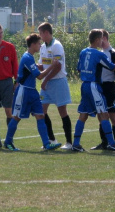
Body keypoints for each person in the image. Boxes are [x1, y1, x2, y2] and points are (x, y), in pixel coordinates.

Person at [71, 29, 115, 152]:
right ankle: (111, 143)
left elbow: (79, 69)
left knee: (83, 115)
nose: (102, 41)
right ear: (96, 40)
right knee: (104, 114)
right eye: (100, 39)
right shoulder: (99, 54)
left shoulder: (83, 52)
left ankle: (76, 143)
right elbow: (112, 67)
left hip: (84, 85)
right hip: (94, 86)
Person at [3, 33, 62, 151]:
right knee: (17, 117)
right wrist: (52, 66)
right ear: (33, 44)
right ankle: (8, 142)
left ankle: (46, 144)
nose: (40, 46)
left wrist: (41, 65)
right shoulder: (27, 58)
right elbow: (39, 77)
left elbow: (33, 68)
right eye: (39, 43)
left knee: (40, 115)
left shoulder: (30, 57)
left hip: (32, 92)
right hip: (24, 92)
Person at [37, 22, 73, 150]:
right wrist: (32, 67)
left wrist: (45, 80)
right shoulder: (42, 47)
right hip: (47, 82)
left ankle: (69, 142)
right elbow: (42, 65)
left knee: (62, 111)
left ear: (46, 32)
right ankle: (51, 139)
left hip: (57, 82)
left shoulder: (57, 46)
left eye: (41, 33)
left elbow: (58, 66)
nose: (40, 36)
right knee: (41, 110)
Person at [90, 29, 115, 150]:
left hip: (110, 87)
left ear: (104, 38)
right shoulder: (99, 52)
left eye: (100, 38)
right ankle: (104, 142)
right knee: (101, 114)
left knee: (112, 115)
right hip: (100, 87)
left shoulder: (112, 52)